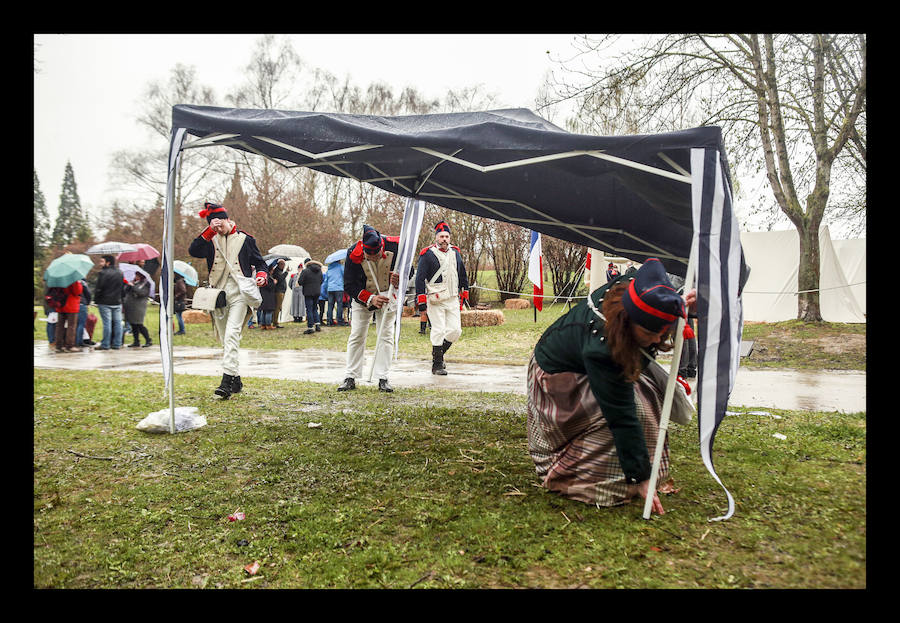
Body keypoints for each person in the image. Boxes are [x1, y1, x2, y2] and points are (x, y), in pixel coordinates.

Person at [526, 258, 697, 516]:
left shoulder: (636, 290)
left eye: (661, 334)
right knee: (631, 410)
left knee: (646, 398)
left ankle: (632, 471)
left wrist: (678, 306)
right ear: (628, 323)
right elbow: (622, 416)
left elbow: (654, 305)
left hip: (585, 364)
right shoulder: (603, 348)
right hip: (557, 377)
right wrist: (641, 477)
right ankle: (579, 476)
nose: (657, 340)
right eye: (650, 334)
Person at [188, 201, 268, 399]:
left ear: (228, 219)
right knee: (225, 339)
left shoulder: (245, 239)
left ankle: (225, 382)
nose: (219, 227)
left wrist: (262, 276)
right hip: (218, 294)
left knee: (232, 334)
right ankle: (236, 379)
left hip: (240, 292)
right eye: (214, 223)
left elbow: (260, 263)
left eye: (220, 222)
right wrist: (208, 232)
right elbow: (194, 251)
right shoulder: (209, 239)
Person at [337, 224, 404, 393]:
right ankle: (350, 376)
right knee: (357, 334)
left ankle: (383, 377)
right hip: (363, 298)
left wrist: (400, 277)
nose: (374, 258)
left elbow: (408, 269)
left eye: (377, 255)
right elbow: (349, 284)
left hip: (388, 294)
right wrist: (370, 298)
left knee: (386, 335)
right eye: (370, 256)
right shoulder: (353, 253)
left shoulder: (395, 246)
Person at [414, 221, 470, 375]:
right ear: (436, 238)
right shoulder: (427, 254)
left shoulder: (455, 252)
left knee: (455, 330)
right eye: (441, 236)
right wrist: (421, 302)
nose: (444, 239)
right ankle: (437, 365)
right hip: (435, 299)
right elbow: (420, 279)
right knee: (438, 330)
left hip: (452, 298)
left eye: (446, 236)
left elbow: (462, 273)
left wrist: (465, 291)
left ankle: (437, 356)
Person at [668, 272, 698, 379]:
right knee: (688, 334)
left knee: (681, 335)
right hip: (686, 296)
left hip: (678, 298)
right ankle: (690, 367)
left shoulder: (674, 266)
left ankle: (682, 369)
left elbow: (674, 283)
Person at [94, 255, 126, 350]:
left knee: (107, 323)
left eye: (102, 261)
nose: (100, 264)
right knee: (118, 323)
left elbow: (99, 288)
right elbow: (122, 288)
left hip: (105, 301)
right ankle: (117, 343)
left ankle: (106, 344)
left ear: (108, 263)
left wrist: (96, 300)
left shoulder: (103, 273)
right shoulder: (120, 272)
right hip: (117, 301)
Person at [123, 272, 152, 348]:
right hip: (131, 307)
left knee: (139, 324)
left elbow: (141, 293)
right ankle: (136, 341)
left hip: (139, 307)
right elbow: (125, 291)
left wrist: (133, 287)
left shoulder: (146, 284)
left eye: (137, 275)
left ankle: (148, 339)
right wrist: (129, 285)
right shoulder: (135, 283)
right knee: (133, 324)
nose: (136, 277)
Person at [54, 279, 83, 352]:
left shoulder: (58, 279)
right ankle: (69, 346)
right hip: (71, 304)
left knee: (59, 326)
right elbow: (78, 291)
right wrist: (79, 283)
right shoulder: (73, 279)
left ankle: (58, 345)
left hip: (60, 304)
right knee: (71, 326)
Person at [298, 258, 324, 335]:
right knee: (315, 308)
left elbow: (300, 282)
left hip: (308, 292)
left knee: (309, 309)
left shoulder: (305, 271)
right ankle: (317, 325)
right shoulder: (319, 271)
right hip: (317, 292)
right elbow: (321, 280)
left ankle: (310, 327)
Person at [324, 259, 347, 326]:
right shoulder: (340, 267)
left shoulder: (329, 269)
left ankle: (329, 321)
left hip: (330, 288)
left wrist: (326, 289)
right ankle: (339, 321)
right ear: (338, 261)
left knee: (330, 305)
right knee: (339, 305)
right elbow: (345, 275)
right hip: (339, 288)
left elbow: (326, 280)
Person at [257, 261, 278, 330]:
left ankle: (263, 325)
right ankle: (268, 325)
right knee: (269, 311)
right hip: (268, 296)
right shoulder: (269, 278)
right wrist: (274, 283)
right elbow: (269, 287)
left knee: (264, 311)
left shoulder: (263, 277)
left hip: (263, 295)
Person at [75, 278, 92, 347]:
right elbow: (88, 293)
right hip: (81, 303)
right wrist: (87, 302)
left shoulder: (69, 280)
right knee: (81, 324)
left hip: (72, 304)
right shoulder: (82, 282)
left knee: (73, 324)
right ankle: (79, 341)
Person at [271, 258, 288, 328]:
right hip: (279, 291)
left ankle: (275, 321)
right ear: (279, 264)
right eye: (282, 264)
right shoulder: (277, 271)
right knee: (277, 307)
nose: (283, 266)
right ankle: (275, 322)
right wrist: (286, 272)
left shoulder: (280, 271)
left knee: (279, 307)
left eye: (284, 264)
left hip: (281, 291)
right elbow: (280, 279)